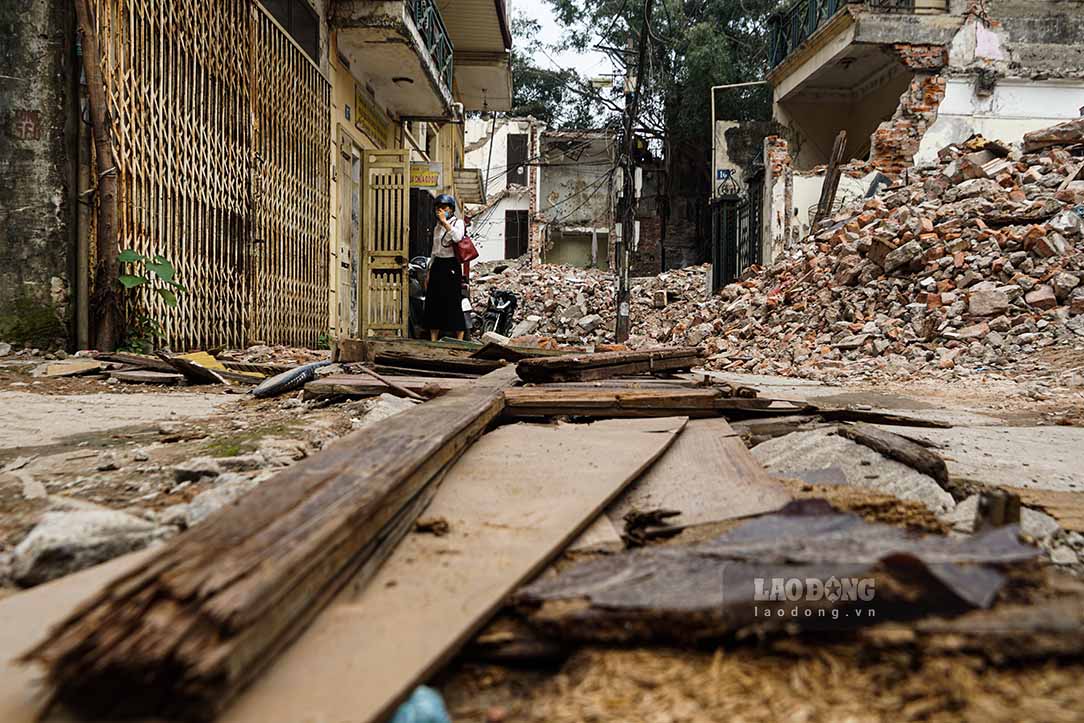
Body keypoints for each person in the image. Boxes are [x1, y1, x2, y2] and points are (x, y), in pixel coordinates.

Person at [423, 193, 468, 341]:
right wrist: (429, 271)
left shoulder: (458, 223)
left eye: (444, 208)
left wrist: (445, 223)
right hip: (438, 265)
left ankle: (459, 338)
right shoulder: (436, 227)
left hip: (451, 265)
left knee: (453, 301)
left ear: (451, 209)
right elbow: (434, 250)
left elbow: (457, 237)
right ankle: (434, 337)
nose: (440, 211)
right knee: (433, 301)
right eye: (438, 208)